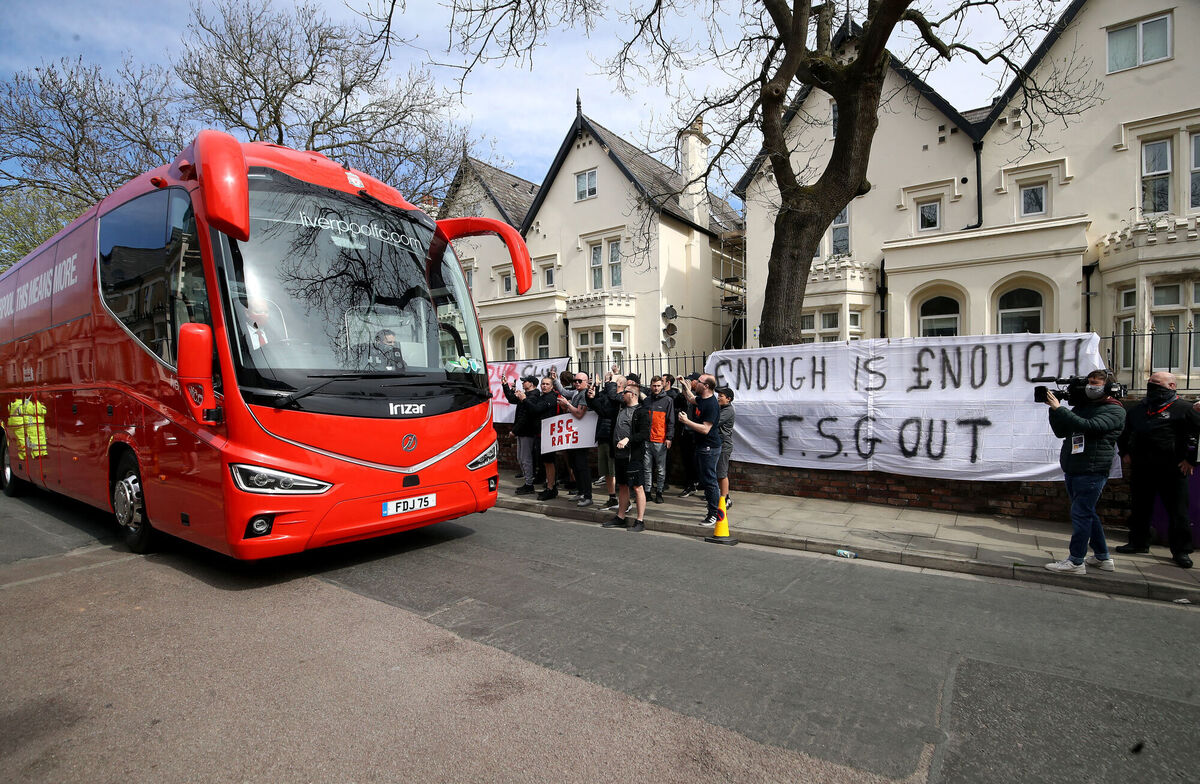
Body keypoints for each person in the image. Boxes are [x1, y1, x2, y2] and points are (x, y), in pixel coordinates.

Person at [1041, 370, 1126, 575]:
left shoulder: (1114, 410)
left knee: (1081, 514)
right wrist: (1054, 411)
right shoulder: (1084, 407)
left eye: (1095, 383)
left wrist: (1060, 409)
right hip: (1075, 466)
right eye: (1088, 382)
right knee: (1087, 513)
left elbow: (1090, 427)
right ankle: (1102, 557)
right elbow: (1062, 431)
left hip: (1092, 469)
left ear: (1107, 387)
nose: (1090, 386)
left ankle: (1076, 562)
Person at [1116, 371, 1200, 569]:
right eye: (1150, 382)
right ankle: (1138, 542)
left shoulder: (1184, 409)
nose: (1152, 385)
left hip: (1173, 468)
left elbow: (1198, 435)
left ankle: (1181, 550)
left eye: (1157, 383)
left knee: (1178, 511)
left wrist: (1191, 460)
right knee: (1140, 507)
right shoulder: (1139, 409)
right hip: (1143, 466)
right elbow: (1124, 432)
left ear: (1172, 386)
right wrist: (1124, 452)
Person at [677, 374, 722, 527]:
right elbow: (690, 398)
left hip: (709, 446)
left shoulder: (711, 404)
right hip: (702, 446)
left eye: (699, 382)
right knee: (706, 479)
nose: (696, 383)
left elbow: (705, 429)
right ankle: (712, 506)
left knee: (710, 480)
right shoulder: (702, 399)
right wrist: (684, 385)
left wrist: (686, 421)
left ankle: (714, 513)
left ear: (707, 386)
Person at [604, 380, 650, 531]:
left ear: (633, 395)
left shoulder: (642, 412)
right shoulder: (620, 409)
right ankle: (620, 517)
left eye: (625, 392)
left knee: (637, 487)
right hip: (619, 455)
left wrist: (628, 439)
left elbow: (644, 434)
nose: (622, 395)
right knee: (623, 486)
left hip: (633, 456)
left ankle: (640, 521)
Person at [587, 375, 623, 511]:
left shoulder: (620, 397)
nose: (606, 382)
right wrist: (591, 395)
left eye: (609, 380)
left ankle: (623, 501)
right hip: (602, 435)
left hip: (613, 438)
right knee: (606, 471)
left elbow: (608, 409)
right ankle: (612, 497)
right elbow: (598, 407)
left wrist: (610, 386)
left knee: (613, 471)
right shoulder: (606, 395)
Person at [559, 371, 594, 507]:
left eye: (580, 381)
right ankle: (580, 491)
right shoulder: (577, 393)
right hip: (574, 435)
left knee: (582, 466)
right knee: (575, 464)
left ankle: (587, 495)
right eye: (575, 381)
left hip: (582, 436)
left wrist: (567, 405)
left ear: (586, 382)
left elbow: (579, 414)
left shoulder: (584, 395)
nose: (576, 383)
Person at [503, 375, 542, 495]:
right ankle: (528, 481)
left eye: (525, 381)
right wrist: (505, 385)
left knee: (526, 459)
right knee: (521, 458)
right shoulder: (526, 395)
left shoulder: (533, 396)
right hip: (522, 431)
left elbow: (525, 416)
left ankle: (529, 484)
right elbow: (511, 399)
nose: (523, 383)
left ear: (531, 384)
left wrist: (514, 430)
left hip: (527, 431)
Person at [642, 375, 675, 504]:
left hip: (660, 439)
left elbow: (671, 421)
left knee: (661, 469)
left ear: (662, 386)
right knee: (647, 468)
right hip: (647, 439)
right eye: (654, 386)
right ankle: (648, 492)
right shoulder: (647, 400)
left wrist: (669, 438)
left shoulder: (668, 400)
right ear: (651, 386)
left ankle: (659, 492)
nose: (656, 388)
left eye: (658, 386)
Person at [532, 376, 562, 501]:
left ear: (552, 386)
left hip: (548, 434)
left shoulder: (551, 398)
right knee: (545, 462)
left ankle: (551, 487)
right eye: (543, 384)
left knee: (549, 461)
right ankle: (550, 486)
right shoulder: (542, 397)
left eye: (547, 384)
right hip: (541, 433)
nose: (544, 386)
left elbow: (537, 409)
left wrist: (525, 400)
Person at [674, 372, 702, 497]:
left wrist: (688, 390)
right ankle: (690, 484)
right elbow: (677, 402)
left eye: (690, 380)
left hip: (696, 433)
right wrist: (684, 390)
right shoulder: (683, 395)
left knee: (699, 461)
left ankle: (700, 483)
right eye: (686, 380)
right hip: (685, 431)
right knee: (687, 459)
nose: (688, 382)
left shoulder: (700, 395)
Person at [716, 386, 736, 510]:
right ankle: (721, 496)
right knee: (718, 473)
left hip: (724, 445)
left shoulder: (728, 410)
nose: (718, 397)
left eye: (721, 396)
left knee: (722, 473)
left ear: (728, 399)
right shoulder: (722, 408)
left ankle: (725, 498)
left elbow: (715, 421)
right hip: (718, 444)